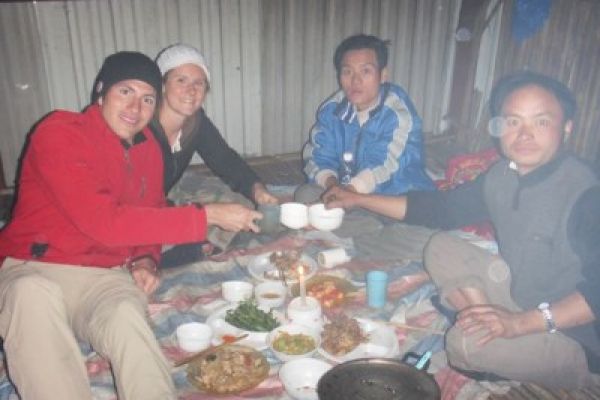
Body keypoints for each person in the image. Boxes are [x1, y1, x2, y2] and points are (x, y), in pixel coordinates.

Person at [0, 51, 260, 400]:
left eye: (147, 99)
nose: (135, 107)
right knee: (30, 295)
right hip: (35, 266)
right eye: (125, 91)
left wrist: (146, 258)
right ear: (101, 91)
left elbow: (150, 210)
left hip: (104, 275)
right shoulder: (60, 131)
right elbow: (104, 221)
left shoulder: (148, 148)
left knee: (126, 315)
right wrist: (206, 216)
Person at [323, 71, 600, 389]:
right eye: (513, 121)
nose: (524, 135)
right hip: (520, 295)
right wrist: (357, 199)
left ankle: (495, 337)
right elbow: (439, 209)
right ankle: (485, 320)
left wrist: (519, 324)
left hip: (573, 333)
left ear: (566, 127)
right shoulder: (503, 176)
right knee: (440, 246)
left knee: (462, 345)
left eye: (541, 121)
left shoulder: (586, 195)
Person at [151, 43, 278, 266]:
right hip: (140, 210)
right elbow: (130, 207)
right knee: (143, 242)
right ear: (162, 85)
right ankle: (169, 254)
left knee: (241, 205)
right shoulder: (142, 127)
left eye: (199, 83)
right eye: (181, 80)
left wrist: (256, 189)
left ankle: (191, 242)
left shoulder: (195, 121)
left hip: (167, 196)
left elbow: (224, 159)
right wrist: (202, 216)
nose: (191, 90)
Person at [299, 33, 434, 203]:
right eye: (347, 72)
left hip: (393, 193)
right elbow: (318, 155)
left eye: (365, 71)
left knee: (411, 208)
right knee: (305, 194)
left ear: (382, 75)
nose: (355, 81)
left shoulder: (397, 113)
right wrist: (332, 186)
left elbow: (388, 164)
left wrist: (350, 193)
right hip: (346, 188)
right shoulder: (332, 110)